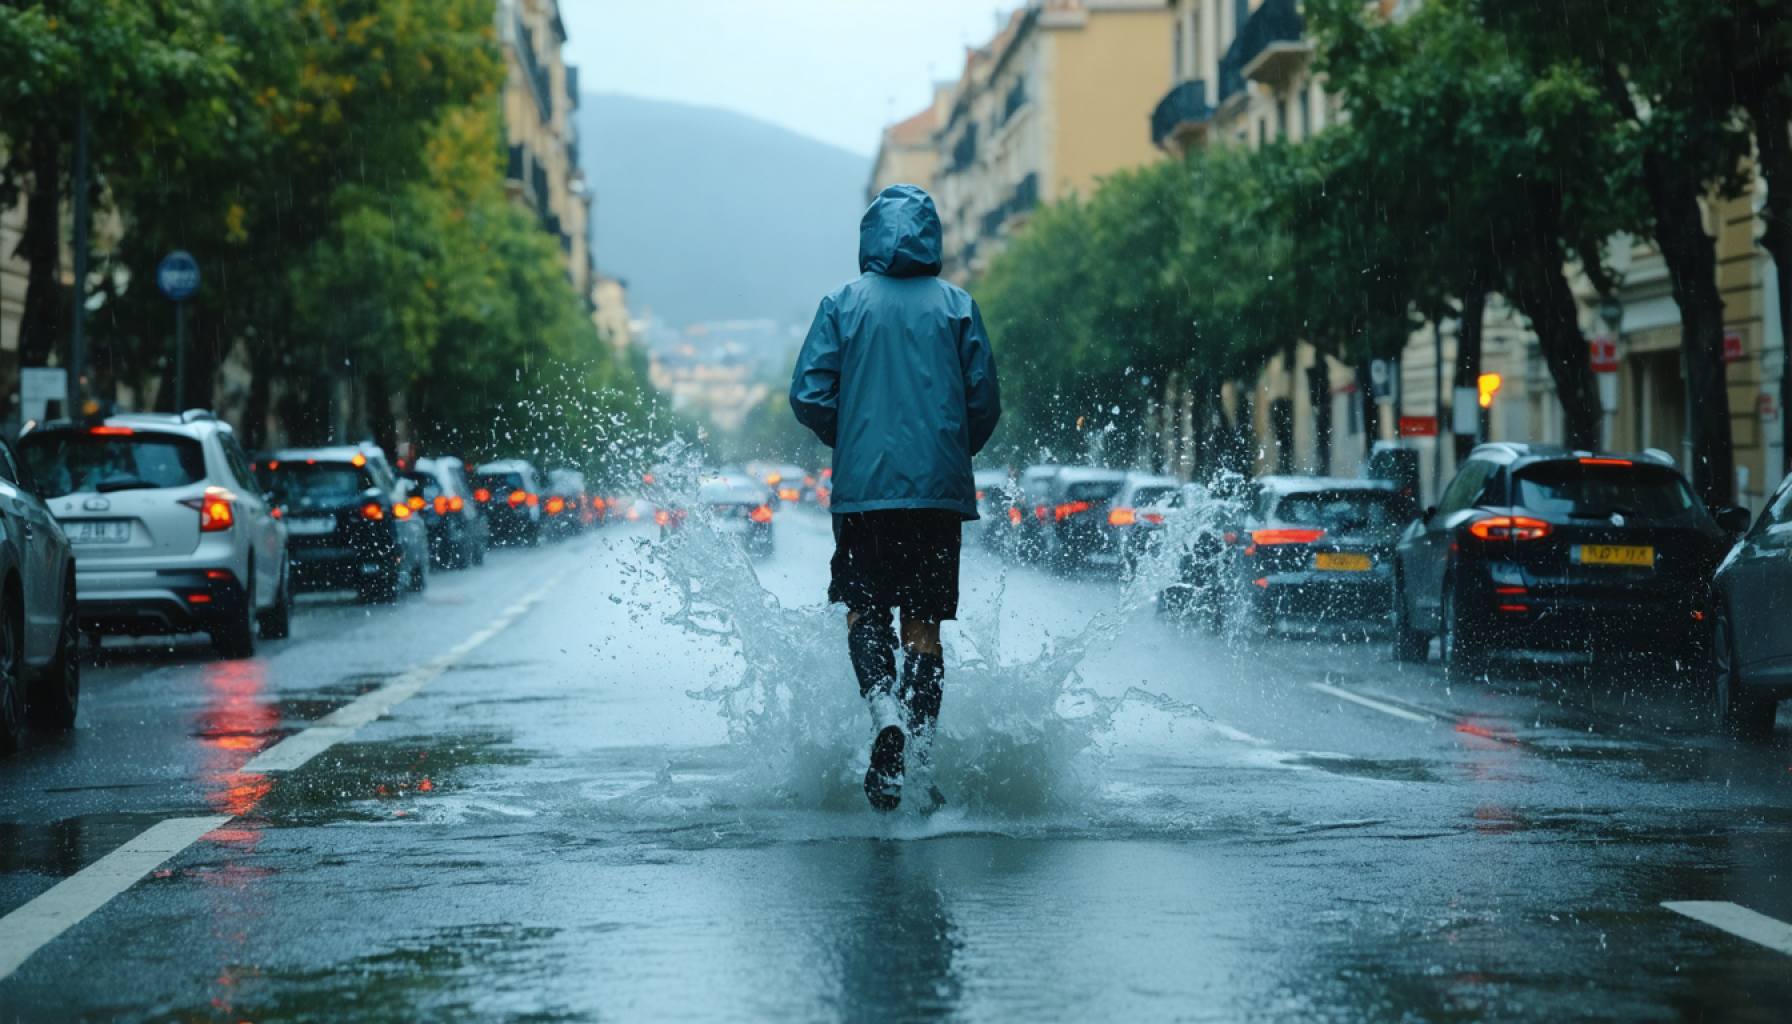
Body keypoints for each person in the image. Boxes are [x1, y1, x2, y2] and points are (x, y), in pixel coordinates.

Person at [790, 184, 1001, 812]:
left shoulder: (842, 304)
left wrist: (849, 435)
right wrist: (949, 452)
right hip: (937, 497)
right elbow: (983, 403)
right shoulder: (957, 307)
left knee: (864, 610)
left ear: (870, 236)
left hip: (864, 496)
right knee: (924, 627)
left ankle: (883, 710)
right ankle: (921, 758)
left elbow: (808, 394)